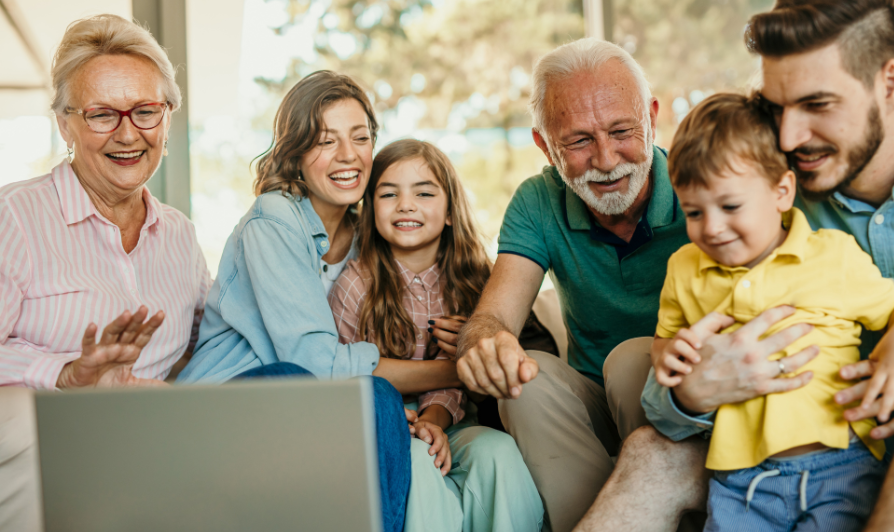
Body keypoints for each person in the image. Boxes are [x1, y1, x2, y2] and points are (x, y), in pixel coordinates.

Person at [575, 2, 894, 531]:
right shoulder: (760, 183)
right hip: (777, 440)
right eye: (777, 107)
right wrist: (691, 391)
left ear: (890, 83)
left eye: (817, 103)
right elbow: (675, 348)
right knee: (649, 450)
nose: (789, 138)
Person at [649, 92, 894, 530]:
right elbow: (666, 337)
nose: (713, 227)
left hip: (841, 468)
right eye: (693, 212)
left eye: (730, 206)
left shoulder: (832, 255)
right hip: (740, 480)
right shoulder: (684, 267)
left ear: (782, 191)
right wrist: (667, 355)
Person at [455, 37, 689, 532]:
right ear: (543, 143)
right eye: (578, 141)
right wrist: (483, 345)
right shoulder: (538, 200)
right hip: (594, 407)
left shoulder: (699, 184)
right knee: (525, 377)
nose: (606, 160)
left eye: (622, 131)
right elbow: (494, 318)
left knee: (632, 363)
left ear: (651, 116)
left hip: (685, 403)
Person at [175, 71, 416, 532]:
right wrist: (454, 368)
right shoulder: (273, 218)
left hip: (302, 411)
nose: (349, 155)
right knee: (294, 381)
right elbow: (314, 364)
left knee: (378, 400)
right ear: (296, 153)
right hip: (220, 406)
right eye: (326, 141)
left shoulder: (371, 235)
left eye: (360, 137)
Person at [0, 14, 210, 530]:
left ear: (166, 119)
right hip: (43, 433)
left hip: (150, 450)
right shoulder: (16, 217)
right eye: (101, 114)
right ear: (65, 123)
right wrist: (68, 376)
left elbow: (209, 343)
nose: (127, 133)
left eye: (145, 111)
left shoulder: (180, 236)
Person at [329, 139, 544, 532]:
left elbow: (464, 383)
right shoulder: (354, 285)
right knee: (418, 462)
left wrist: (434, 421)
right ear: (370, 209)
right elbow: (343, 376)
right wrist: (419, 426)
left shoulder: (473, 282)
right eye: (389, 193)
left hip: (452, 419)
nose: (406, 204)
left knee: (498, 452)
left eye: (424, 193)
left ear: (448, 211)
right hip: (382, 427)